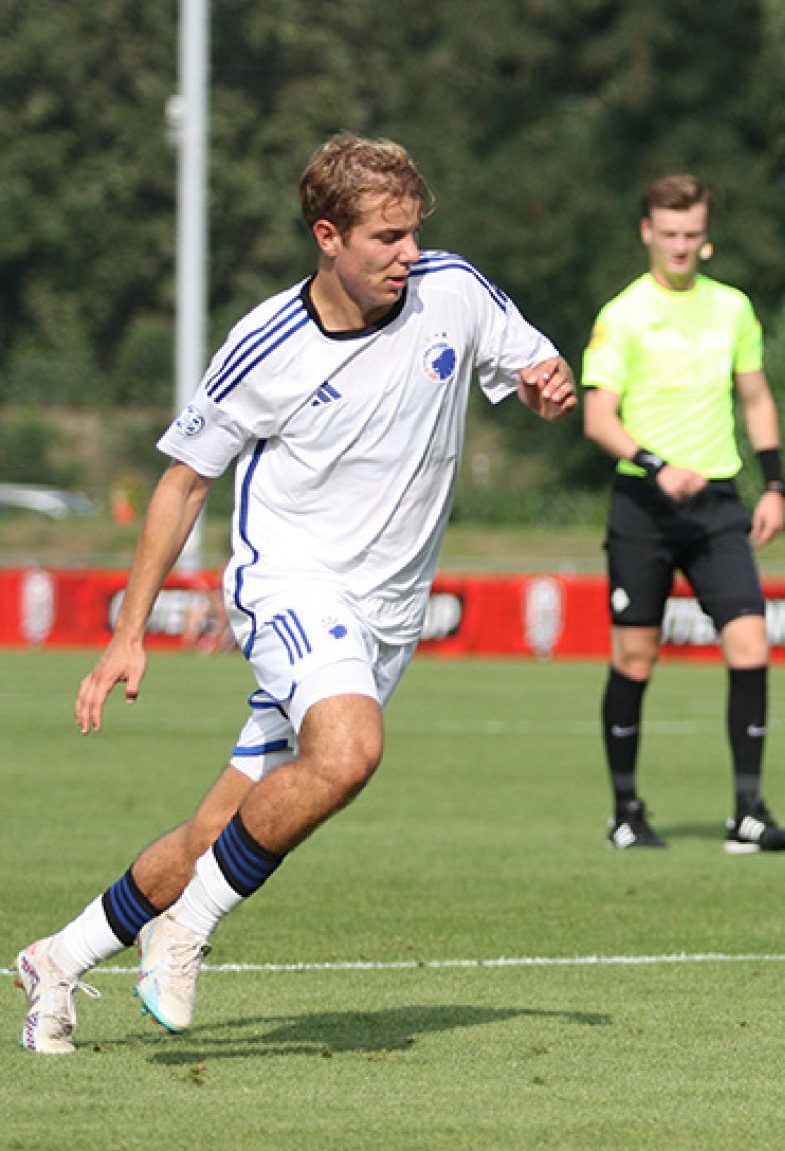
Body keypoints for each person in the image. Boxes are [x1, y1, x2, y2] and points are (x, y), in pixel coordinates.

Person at [12, 134, 576, 1055]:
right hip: (289, 583)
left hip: (386, 619)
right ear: (327, 235)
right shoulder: (266, 343)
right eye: (385, 238)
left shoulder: (456, 291)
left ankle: (57, 961)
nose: (406, 254)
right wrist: (127, 633)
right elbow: (183, 484)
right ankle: (184, 931)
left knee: (216, 831)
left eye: (413, 233)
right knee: (350, 751)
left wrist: (553, 388)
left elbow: (539, 376)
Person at [581, 174, 785, 853]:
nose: (679, 245)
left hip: (718, 506)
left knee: (751, 641)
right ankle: (625, 809)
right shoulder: (623, 313)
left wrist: (775, 484)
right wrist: (657, 466)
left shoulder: (732, 308)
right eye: (668, 233)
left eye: (691, 234)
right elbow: (597, 418)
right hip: (642, 507)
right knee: (636, 658)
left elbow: (755, 397)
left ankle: (748, 812)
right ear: (647, 232)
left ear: (706, 238)